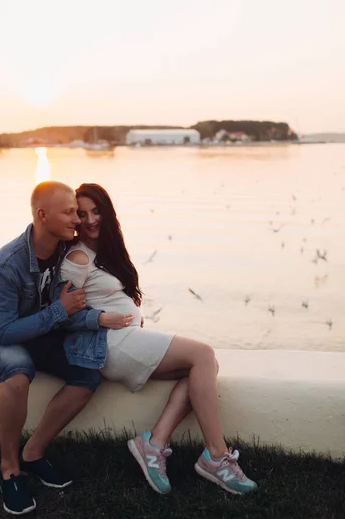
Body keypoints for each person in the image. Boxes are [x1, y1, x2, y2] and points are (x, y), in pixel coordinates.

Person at [60, 183, 258, 496]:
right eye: (82, 214)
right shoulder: (79, 258)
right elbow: (62, 314)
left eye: (96, 211)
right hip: (110, 344)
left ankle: (154, 444)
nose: (91, 219)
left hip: (126, 338)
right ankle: (217, 457)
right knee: (203, 354)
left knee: (204, 368)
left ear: (107, 212)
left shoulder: (105, 252)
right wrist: (101, 318)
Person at [0, 181, 131, 516]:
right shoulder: (7, 265)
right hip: (4, 338)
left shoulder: (62, 253)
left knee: (87, 376)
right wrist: (59, 311)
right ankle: (10, 468)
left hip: (43, 335)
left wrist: (99, 318)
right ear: (42, 215)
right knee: (17, 375)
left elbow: (71, 310)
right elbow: (6, 331)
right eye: (70, 212)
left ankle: (34, 453)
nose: (78, 220)